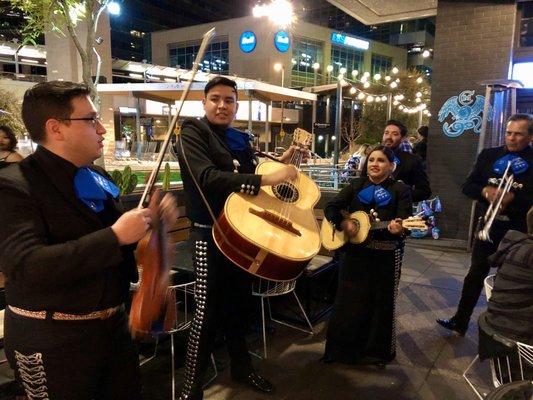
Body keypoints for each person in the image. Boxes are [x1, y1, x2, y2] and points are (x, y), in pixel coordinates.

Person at [0, 80, 177, 399]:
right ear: (56, 128)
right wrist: (114, 236)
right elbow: (26, 265)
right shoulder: (14, 185)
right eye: (91, 119)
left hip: (112, 329)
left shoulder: (99, 177)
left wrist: (152, 225)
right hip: (52, 338)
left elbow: (122, 248)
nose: (102, 129)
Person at [175, 76, 301, 400]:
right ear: (204, 103)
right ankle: (190, 391)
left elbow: (253, 174)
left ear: (236, 105)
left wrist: (281, 164)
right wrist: (263, 177)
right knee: (205, 314)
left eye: (228, 100)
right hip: (207, 235)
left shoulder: (238, 138)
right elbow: (207, 177)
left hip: (243, 235)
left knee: (238, 307)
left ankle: (242, 369)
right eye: (215, 98)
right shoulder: (192, 132)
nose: (221, 105)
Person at [437, 113, 533, 336]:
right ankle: (460, 320)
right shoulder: (489, 155)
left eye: (518, 134)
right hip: (489, 225)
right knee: (475, 274)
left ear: (530, 137)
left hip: (518, 230)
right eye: (509, 133)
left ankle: (501, 327)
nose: (511, 138)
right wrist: (484, 191)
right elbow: (468, 186)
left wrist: (513, 199)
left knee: (507, 280)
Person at [322, 145, 412, 365]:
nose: (374, 164)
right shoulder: (355, 185)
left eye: (381, 160)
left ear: (391, 166)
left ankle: (375, 354)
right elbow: (331, 206)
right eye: (371, 159)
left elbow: (405, 222)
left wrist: (399, 229)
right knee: (348, 304)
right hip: (354, 256)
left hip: (385, 257)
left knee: (380, 305)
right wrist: (343, 223)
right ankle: (342, 352)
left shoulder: (400, 190)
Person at [382, 119, 431, 202]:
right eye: (386, 133)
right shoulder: (373, 157)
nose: (389, 137)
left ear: (402, 138)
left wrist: (402, 193)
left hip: (399, 212)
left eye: (395, 134)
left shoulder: (412, 160)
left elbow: (425, 191)